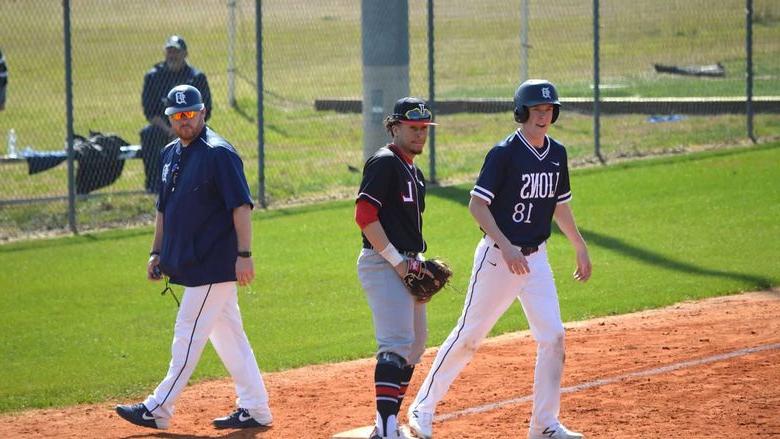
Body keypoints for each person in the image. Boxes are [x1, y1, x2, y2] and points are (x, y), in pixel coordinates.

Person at [406, 79, 592, 439]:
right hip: (498, 260)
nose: (543, 116)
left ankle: (544, 426)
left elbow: (559, 204)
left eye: (549, 110)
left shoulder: (557, 153)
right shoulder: (504, 153)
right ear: (522, 112)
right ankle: (422, 407)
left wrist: (579, 245)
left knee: (553, 337)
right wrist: (505, 245)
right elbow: (477, 205)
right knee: (470, 336)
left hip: (536, 260)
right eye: (537, 110)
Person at [116, 84, 272, 431]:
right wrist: (157, 251)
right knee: (229, 337)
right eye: (178, 116)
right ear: (170, 119)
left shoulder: (219, 153)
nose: (185, 121)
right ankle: (256, 408)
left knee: (187, 333)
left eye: (191, 114)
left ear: (203, 113)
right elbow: (164, 210)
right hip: (193, 263)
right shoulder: (171, 152)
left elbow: (241, 206)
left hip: (214, 264)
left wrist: (244, 255)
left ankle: (158, 408)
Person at [355, 97, 439, 439]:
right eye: (412, 128)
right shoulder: (384, 163)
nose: (419, 135)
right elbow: (364, 217)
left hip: (407, 263)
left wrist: (414, 264)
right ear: (395, 128)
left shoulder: (414, 173)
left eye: (423, 129)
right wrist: (399, 262)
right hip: (382, 262)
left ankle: (382, 424)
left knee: (416, 344)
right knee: (396, 342)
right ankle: (389, 430)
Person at [140, 35, 212, 193]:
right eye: (169, 51)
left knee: (208, 137)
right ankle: (154, 186)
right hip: (163, 128)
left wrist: (185, 127)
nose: (172, 55)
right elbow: (149, 111)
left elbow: (206, 109)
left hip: (192, 126)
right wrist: (171, 130)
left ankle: (202, 183)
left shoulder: (196, 77)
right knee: (148, 134)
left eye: (176, 52)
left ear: (185, 54)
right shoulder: (153, 76)